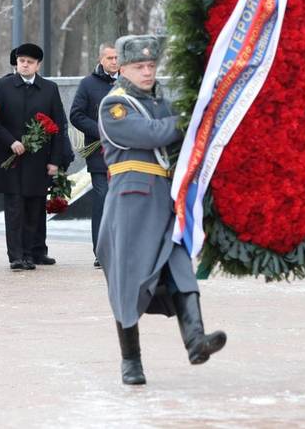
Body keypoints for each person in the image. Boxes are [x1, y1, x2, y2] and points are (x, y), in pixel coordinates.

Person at [96, 35, 226, 385]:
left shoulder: (162, 102)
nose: (147, 71)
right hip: (132, 203)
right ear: (122, 68)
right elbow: (151, 134)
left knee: (181, 267)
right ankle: (131, 361)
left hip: (166, 201)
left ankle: (196, 340)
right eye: (139, 66)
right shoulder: (115, 105)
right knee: (129, 282)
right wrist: (190, 120)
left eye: (152, 66)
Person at [0, 43, 66, 270]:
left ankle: (33, 252)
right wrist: (10, 141)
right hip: (10, 157)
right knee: (14, 207)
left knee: (35, 206)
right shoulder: (3, 86)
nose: (24, 64)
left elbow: (58, 125)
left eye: (29, 62)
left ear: (37, 65)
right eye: (21, 60)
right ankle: (17, 255)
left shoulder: (49, 89)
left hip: (38, 159)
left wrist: (55, 160)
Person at [70, 42, 119, 268]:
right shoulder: (88, 84)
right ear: (101, 59)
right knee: (102, 198)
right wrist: (101, 130)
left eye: (117, 57)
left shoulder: (129, 83)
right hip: (100, 153)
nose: (114, 61)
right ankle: (101, 251)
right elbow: (76, 115)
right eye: (109, 58)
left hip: (126, 154)